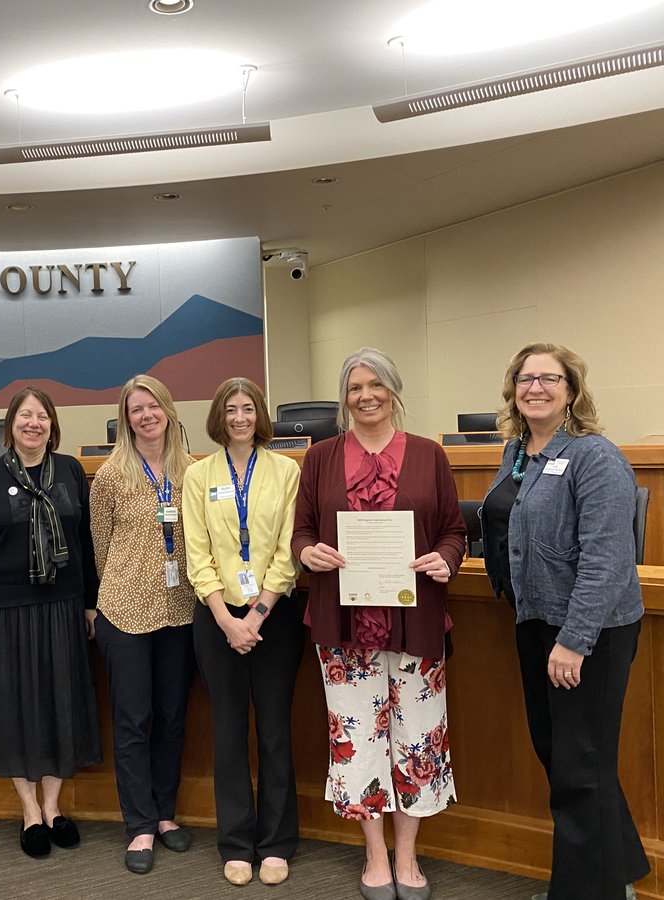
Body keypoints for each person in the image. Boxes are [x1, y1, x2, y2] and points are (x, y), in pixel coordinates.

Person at [292, 348, 466, 900]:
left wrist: (446, 559)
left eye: (376, 385)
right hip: (342, 625)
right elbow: (301, 532)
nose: (365, 396)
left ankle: (408, 854)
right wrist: (309, 554)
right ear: (343, 398)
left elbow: (454, 532)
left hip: (415, 621)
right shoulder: (319, 457)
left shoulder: (429, 455)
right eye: (354, 387)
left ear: (393, 390)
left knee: (418, 737)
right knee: (357, 739)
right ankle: (374, 854)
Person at [480, 343, 649, 900]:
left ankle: (582, 893)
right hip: (535, 619)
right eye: (525, 379)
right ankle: (614, 875)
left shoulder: (595, 456)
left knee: (580, 764)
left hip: (589, 630)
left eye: (550, 379)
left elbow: (608, 555)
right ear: (513, 389)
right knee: (564, 755)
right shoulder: (517, 451)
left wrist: (575, 641)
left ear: (571, 390)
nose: (536, 388)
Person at [0, 386, 101, 859]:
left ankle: (55, 806)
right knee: (17, 710)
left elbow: (85, 542)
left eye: (41, 416)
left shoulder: (71, 472)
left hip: (63, 608)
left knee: (61, 705)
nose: (33, 423)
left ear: (52, 424)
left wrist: (89, 603)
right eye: (25, 416)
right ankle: (29, 812)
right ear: (11, 424)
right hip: (8, 614)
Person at [182, 376, 303, 887]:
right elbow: (197, 551)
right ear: (218, 415)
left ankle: (275, 843)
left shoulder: (286, 469)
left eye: (248, 408)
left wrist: (256, 614)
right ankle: (235, 842)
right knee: (228, 734)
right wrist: (227, 618)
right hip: (217, 620)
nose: (239, 417)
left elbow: (287, 549)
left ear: (260, 415)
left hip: (274, 619)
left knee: (275, 732)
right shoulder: (198, 474)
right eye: (230, 408)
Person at [89, 375, 197, 875]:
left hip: (181, 610)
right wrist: (104, 603)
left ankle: (164, 813)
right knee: (134, 722)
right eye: (136, 409)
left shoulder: (192, 470)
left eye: (154, 405)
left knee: (172, 717)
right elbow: (100, 549)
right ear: (125, 418)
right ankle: (138, 824)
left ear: (169, 410)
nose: (147, 415)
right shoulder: (111, 476)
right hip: (125, 613)